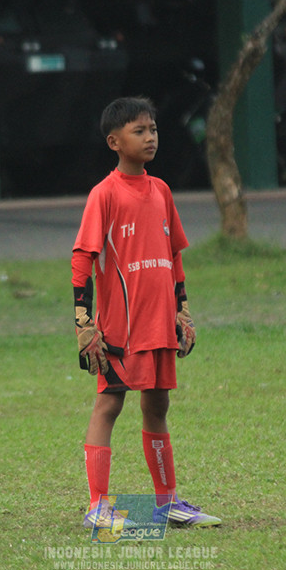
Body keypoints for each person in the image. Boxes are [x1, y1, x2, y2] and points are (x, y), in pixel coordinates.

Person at [71, 96, 221, 529]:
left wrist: (183, 311)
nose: (151, 137)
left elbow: (173, 257)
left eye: (153, 129)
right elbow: (82, 260)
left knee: (157, 405)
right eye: (140, 131)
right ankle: (98, 507)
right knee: (109, 405)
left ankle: (167, 502)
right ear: (114, 141)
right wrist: (84, 323)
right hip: (121, 328)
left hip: (158, 324)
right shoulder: (104, 195)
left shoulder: (162, 191)